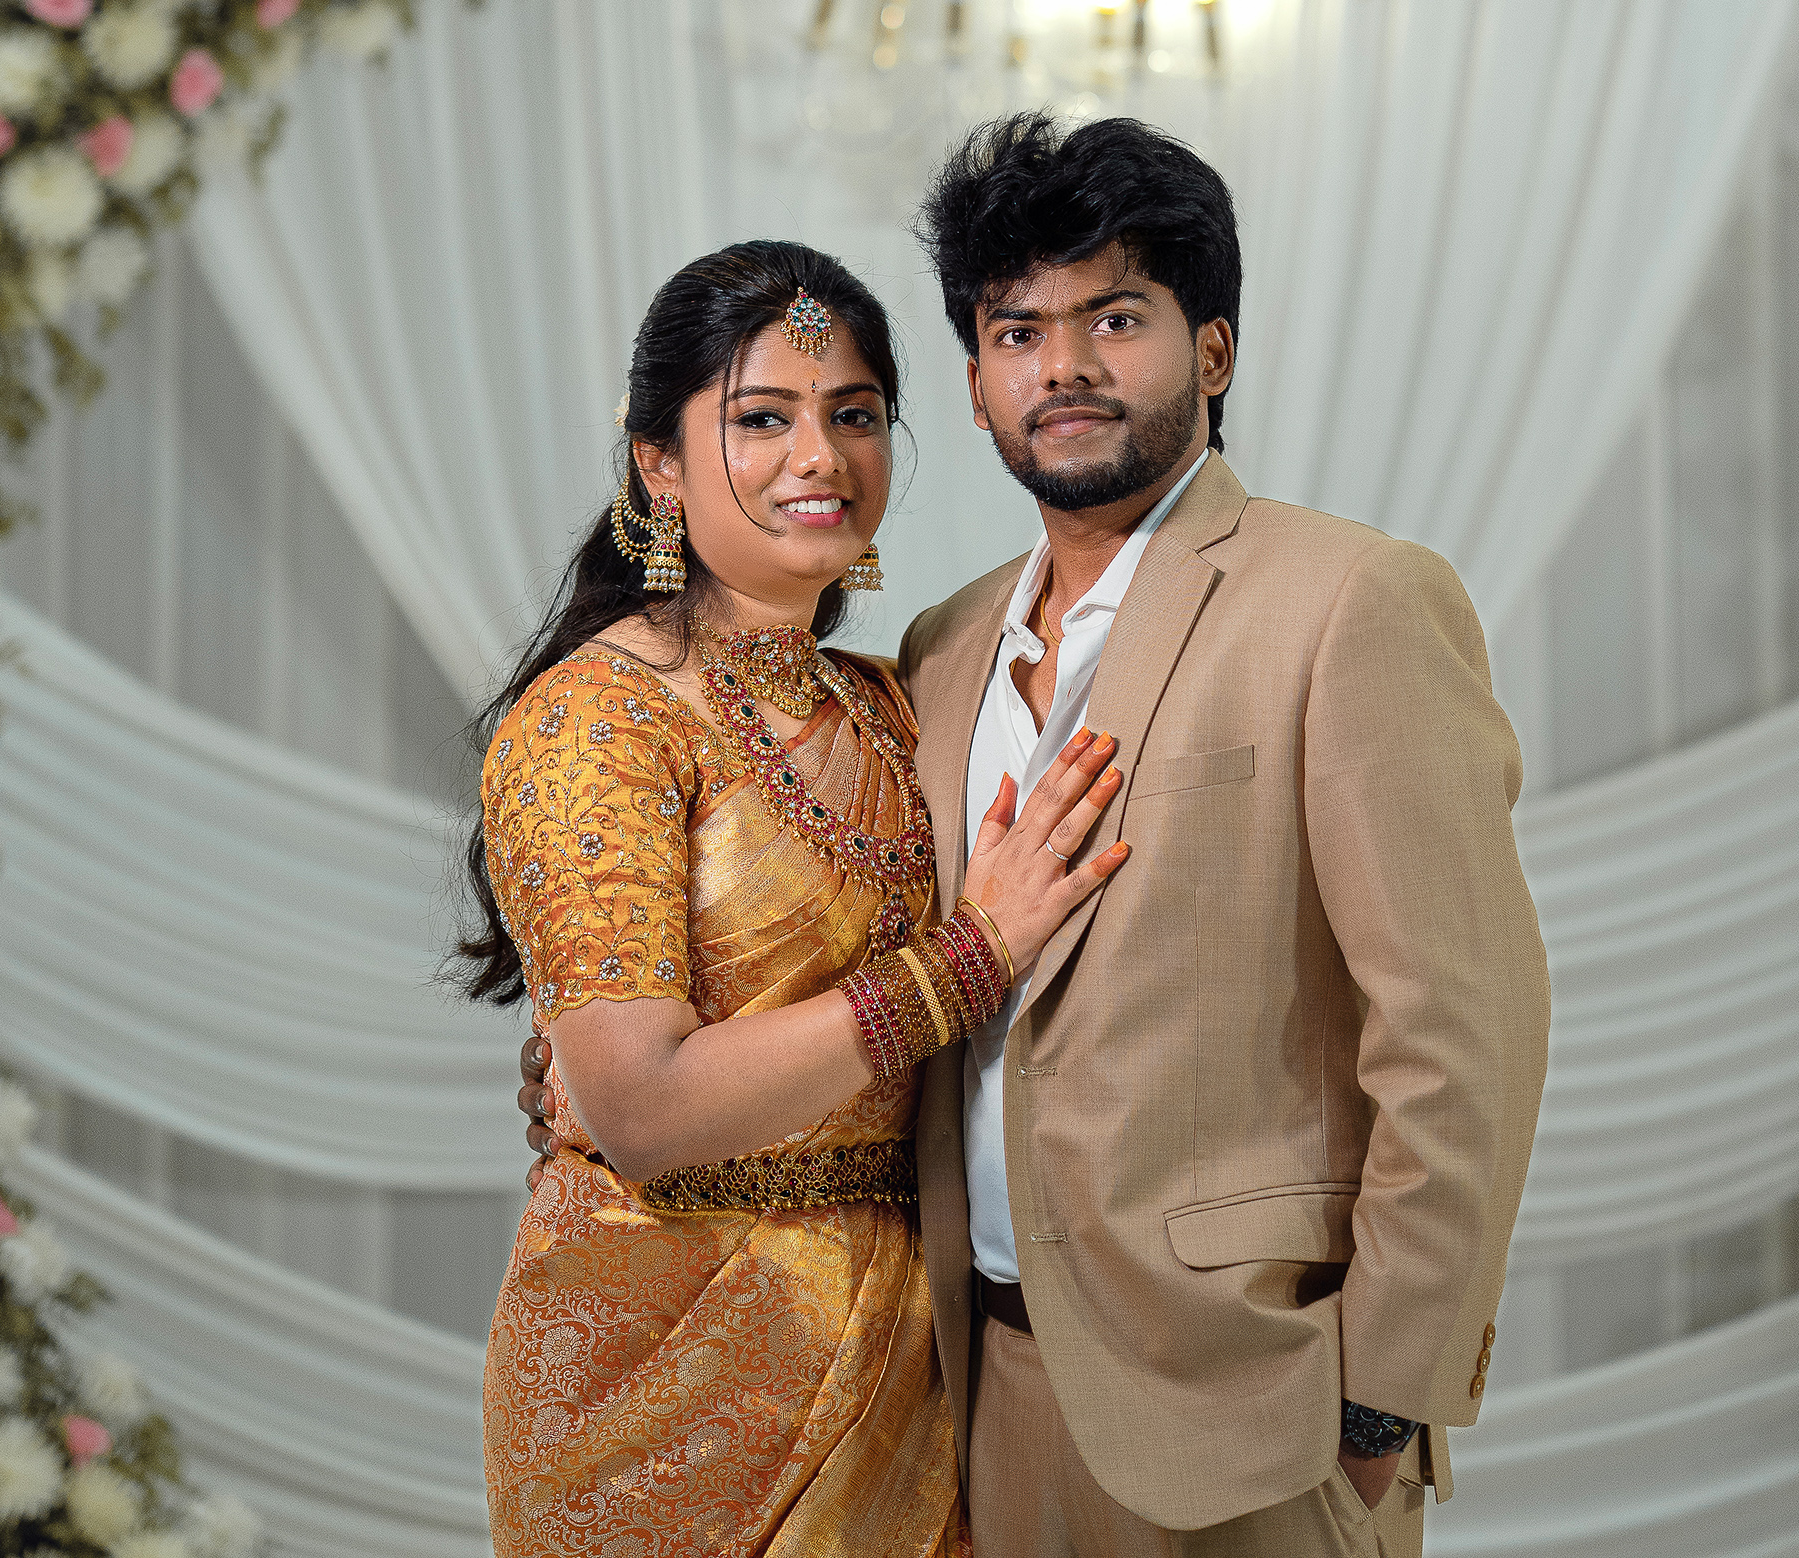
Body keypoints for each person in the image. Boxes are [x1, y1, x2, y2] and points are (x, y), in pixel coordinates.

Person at [521, 123, 1549, 1557]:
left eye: (1114, 318)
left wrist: (1384, 1394)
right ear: (975, 383)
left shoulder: (1349, 603)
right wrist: (605, 1069)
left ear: (1213, 350)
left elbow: (1461, 1028)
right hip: (964, 1398)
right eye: (1018, 331)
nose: (1062, 366)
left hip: (1251, 1404)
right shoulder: (936, 657)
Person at [459, 240, 1127, 1556]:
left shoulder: (898, 700)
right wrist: (969, 958)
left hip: (910, 1354)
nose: (819, 456)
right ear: (659, 464)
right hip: (659, 1379)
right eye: (761, 417)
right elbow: (643, 1110)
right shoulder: (597, 719)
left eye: (854, 414)